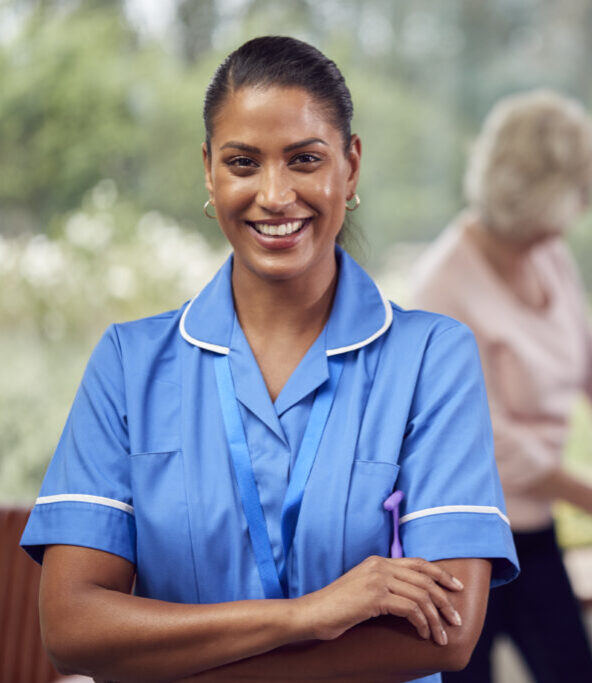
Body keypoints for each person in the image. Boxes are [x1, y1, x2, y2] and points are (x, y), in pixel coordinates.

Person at [19, 36, 518, 683]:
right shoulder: (128, 363)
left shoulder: (430, 357)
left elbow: (447, 634)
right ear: (209, 171)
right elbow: (71, 627)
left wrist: (173, 665)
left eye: (305, 159)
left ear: (351, 166)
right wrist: (305, 615)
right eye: (244, 162)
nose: (275, 194)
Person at [412, 89, 592, 683]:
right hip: (462, 538)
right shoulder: (443, 288)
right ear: (545, 191)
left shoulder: (551, 256)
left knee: (577, 673)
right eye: (580, 187)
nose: (589, 202)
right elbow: (487, 438)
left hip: (534, 530)